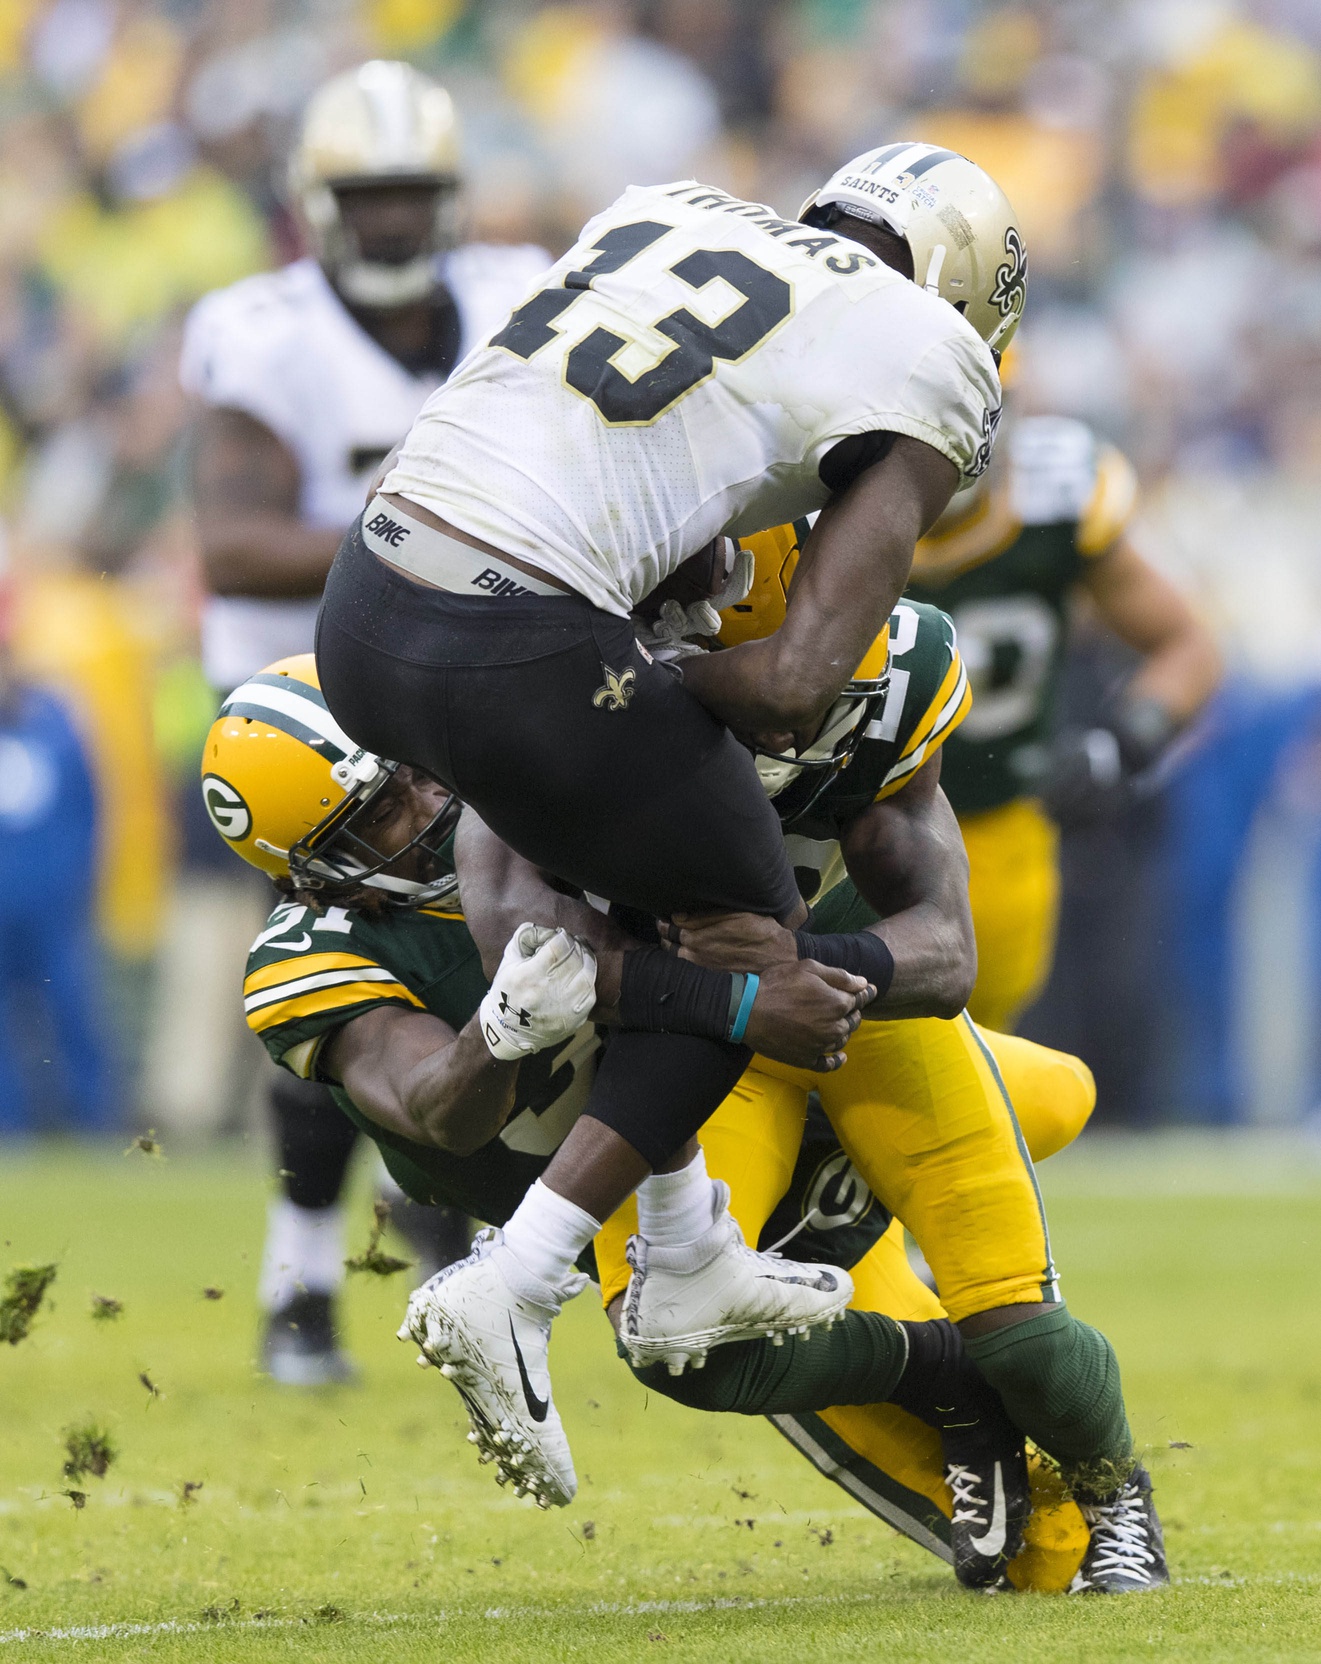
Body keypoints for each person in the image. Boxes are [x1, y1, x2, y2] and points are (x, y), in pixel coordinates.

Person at [314, 144, 1023, 1486]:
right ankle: (519, 1276)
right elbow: (796, 684)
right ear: (962, 292)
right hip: (519, 640)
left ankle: (691, 1245)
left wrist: (629, 677)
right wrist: (650, 686)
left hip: (364, 600)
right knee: (748, 930)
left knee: (661, 881)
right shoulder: (935, 359)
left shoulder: (663, 208)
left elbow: (640, 474)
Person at [203, 652, 1098, 1595]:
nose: (430, 802)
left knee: (1058, 1096)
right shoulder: (309, 958)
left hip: (772, 1065)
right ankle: (944, 1370)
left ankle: (898, 1226)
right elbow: (436, 1111)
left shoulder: (537, 802)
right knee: (1036, 1555)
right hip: (695, 1162)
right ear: (321, 873)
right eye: (384, 809)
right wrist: (497, 1033)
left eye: (418, 768)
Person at [461, 555, 1167, 1595]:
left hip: (858, 1017)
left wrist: (820, 972)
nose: (785, 721)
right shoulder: (587, 696)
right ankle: (946, 1382)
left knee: (1014, 1323)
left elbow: (945, 949)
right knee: (676, 1343)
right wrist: (737, 1002)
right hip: (693, 1053)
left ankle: (1119, 1494)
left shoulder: (893, 676)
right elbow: (527, 948)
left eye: (812, 683)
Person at [183, 60, 552, 1383]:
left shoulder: (519, 299)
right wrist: (434, 543)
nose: (393, 222)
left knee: (479, 947)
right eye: (367, 196)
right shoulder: (265, 333)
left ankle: (451, 1234)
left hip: (461, 686)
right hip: (299, 711)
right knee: (333, 979)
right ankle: (295, 1277)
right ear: (317, 205)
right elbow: (229, 543)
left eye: (413, 195)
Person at [904, 402, 1222, 1033]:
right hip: (832, 828)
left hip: (999, 826)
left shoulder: (1057, 500)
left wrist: (1122, 744)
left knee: (978, 1053)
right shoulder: (810, 497)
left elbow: (1191, 647)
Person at [0, 607, 113, 1136]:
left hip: (53, 904)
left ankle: (95, 1121)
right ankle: (12, 1127)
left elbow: (89, 807)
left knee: (74, 1009)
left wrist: (83, 881)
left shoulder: (55, 720)